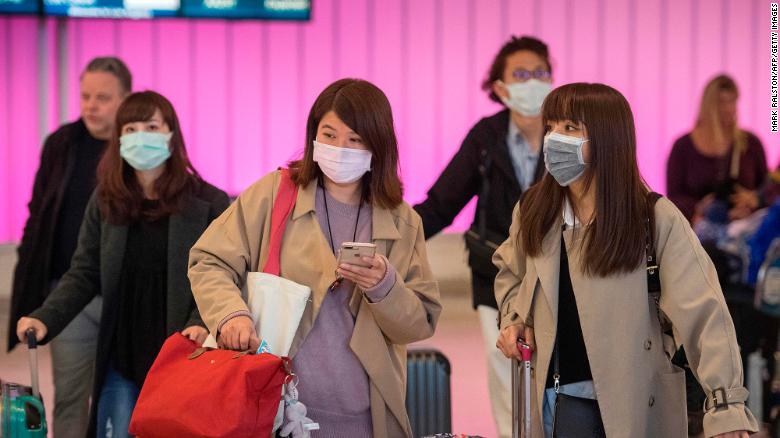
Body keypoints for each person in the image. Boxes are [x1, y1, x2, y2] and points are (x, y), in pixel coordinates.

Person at [494, 82, 758, 437]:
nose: (555, 139)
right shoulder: (533, 212)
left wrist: (727, 408)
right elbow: (510, 272)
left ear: (607, 139)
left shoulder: (654, 217)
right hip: (558, 401)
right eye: (552, 126)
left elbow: (705, 313)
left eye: (570, 127)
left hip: (637, 403)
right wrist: (513, 318)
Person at [188, 78, 441, 437]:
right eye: (329, 134)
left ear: (378, 146)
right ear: (313, 136)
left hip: (366, 417)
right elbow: (208, 259)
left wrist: (385, 287)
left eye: (355, 139)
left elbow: (418, 323)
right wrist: (231, 313)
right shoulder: (274, 195)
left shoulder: (402, 221)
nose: (340, 148)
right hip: (274, 409)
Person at [16, 91, 230, 438]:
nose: (140, 136)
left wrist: (200, 322)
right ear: (118, 139)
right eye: (130, 128)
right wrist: (45, 317)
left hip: (182, 353)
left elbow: (225, 276)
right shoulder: (106, 201)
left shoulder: (208, 203)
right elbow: (84, 272)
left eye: (151, 126)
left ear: (171, 134)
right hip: (122, 353)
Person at [413, 35, 551, 437]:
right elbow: (441, 203)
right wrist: (390, 234)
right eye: (521, 74)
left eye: (541, 73)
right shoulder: (486, 138)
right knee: (507, 373)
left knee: (554, 376)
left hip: (557, 278)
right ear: (501, 87)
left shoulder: (566, 135)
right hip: (496, 276)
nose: (533, 82)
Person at [7, 56, 131, 438]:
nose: (91, 105)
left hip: (123, 295)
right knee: (70, 397)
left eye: (103, 98)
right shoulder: (62, 143)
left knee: (123, 395)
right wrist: (31, 278)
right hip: (68, 292)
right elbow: (39, 214)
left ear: (125, 98)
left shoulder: (139, 146)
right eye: (86, 96)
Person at [666, 74, 768, 225]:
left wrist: (753, 199)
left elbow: (767, 188)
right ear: (707, 106)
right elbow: (673, 197)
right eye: (721, 103)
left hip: (743, 231)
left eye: (732, 101)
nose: (728, 109)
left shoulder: (750, 143)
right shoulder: (683, 147)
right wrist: (699, 207)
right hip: (697, 232)